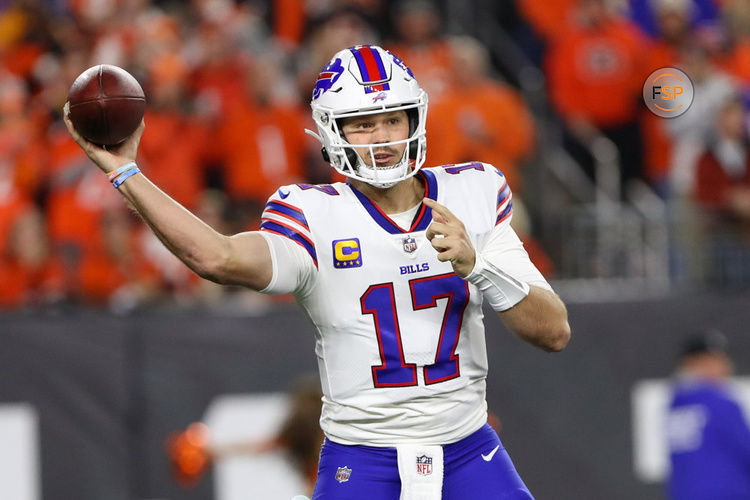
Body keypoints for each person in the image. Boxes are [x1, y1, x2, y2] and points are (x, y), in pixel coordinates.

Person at [64, 45, 570, 499]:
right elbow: (216, 257)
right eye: (363, 124)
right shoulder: (312, 213)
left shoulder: (472, 192)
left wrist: (476, 266)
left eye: (393, 119)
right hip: (364, 459)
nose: (383, 137)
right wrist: (125, 173)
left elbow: (553, 332)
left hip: (467, 449)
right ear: (333, 131)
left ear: (416, 119)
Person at [666, 329, 750, 500]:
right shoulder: (719, 403)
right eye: (712, 361)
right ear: (692, 363)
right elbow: (745, 450)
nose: (723, 366)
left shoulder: (675, 404)